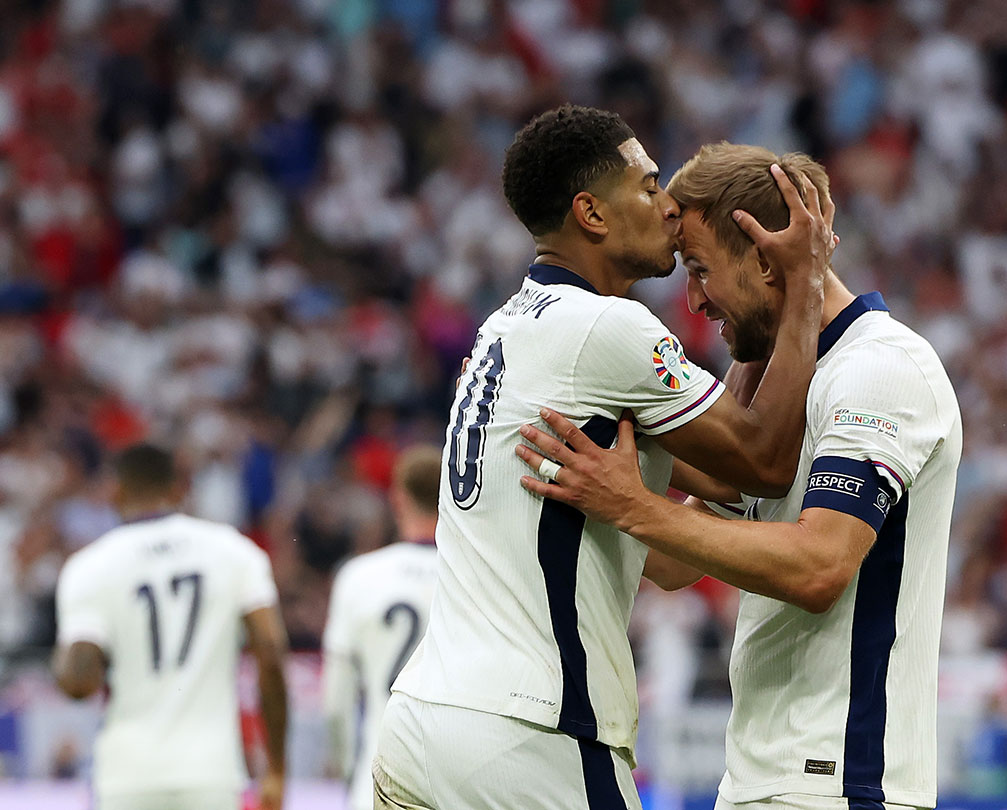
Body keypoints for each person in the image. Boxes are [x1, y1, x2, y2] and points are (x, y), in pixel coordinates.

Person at [372, 106, 834, 809]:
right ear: (592, 212)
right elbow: (765, 461)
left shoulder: (506, 327)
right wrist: (799, 282)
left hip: (422, 722)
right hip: (531, 728)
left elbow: (705, 506)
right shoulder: (605, 328)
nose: (668, 205)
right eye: (649, 187)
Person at [517, 143, 963, 810]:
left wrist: (635, 506)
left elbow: (818, 565)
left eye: (699, 270)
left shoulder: (879, 369)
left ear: (765, 255)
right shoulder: (768, 390)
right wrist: (582, 461)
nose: (692, 300)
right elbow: (672, 563)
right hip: (765, 778)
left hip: (841, 781)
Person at [51, 443, 289, 810]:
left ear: (116, 491)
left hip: (126, 777)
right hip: (211, 773)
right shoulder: (233, 551)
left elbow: (78, 682)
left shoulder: (90, 566)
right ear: (179, 489)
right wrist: (276, 769)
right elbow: (271, 654)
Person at [322, 446, 443, 810]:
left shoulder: (359, 576)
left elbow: (335, 700)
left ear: (397, 498)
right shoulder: (476, 577)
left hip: (377, 778)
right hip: (450, 782)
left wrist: (346, 766)